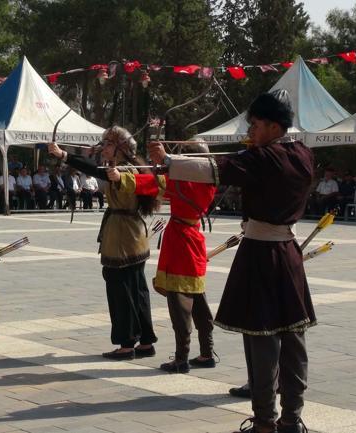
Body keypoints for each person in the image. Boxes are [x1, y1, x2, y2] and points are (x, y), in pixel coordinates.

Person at [149, 90, 315, 433]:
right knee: (293, 338)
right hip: (289, 254)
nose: (250, 131)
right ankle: (292, 419)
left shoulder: (262, 159)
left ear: (272, 126)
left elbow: (217, 168)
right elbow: (235, 164)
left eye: (255, 125)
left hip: (260, 252)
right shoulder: (302, 154)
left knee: (261, 340)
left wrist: (169, 161)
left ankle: (266, 422)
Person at [48, 126, 160, 360]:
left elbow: (139, 180)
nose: (104, 148)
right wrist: (64, 155)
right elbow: (96, 169)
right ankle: (145, 341)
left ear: (121, 148)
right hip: (130, 234)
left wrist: (120, 177)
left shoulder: (126, 169)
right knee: (136, 288)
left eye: (108, 144)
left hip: (123, 236)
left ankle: (127, 344)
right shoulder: (118, 168)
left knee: (122, 289)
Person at [106, 142, 217, 374]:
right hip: (189, 241)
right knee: (198, 301)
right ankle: (206, 353)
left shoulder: (195, 181)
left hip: (183, 246)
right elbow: (157, 182)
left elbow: (156, 185)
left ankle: (181, 358)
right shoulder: (200, 179)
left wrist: (125, 178)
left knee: (181, 305)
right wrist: (122, 177)